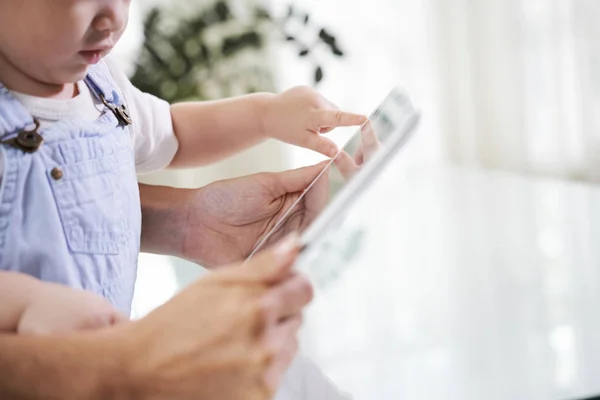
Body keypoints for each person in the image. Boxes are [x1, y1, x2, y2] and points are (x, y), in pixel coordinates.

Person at [0, 0, 366, 398]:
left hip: (115, 352)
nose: (113, 19)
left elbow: (174, 131)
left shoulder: (100, 88)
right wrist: (27, 305)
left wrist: (265, 115)